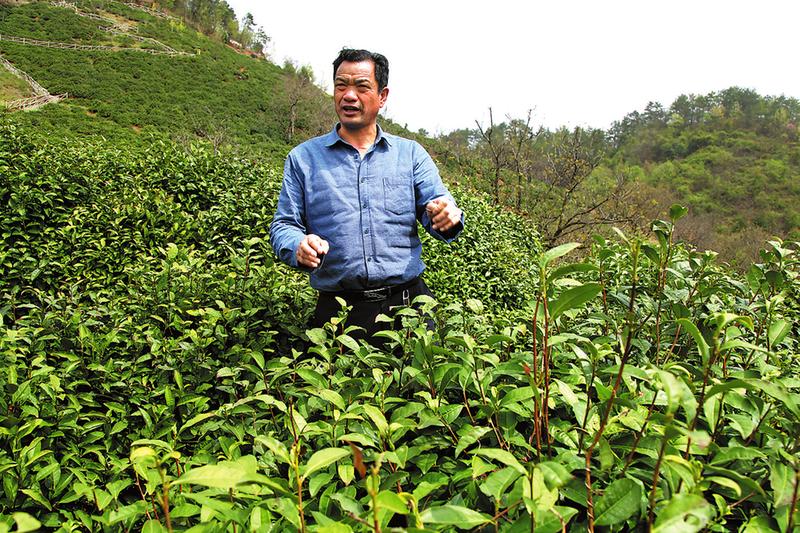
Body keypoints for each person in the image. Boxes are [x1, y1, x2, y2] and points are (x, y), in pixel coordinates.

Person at [270, 48, 464, 342]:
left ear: (382, 96)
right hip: (337, 314)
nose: (349, 96)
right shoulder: (303, 159)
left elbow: (438, 207)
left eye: (361, 87)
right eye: (341, 86)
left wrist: (447, 216)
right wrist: (297, 244)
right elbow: (283, 225)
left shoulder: (410, 155)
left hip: (408, 308)